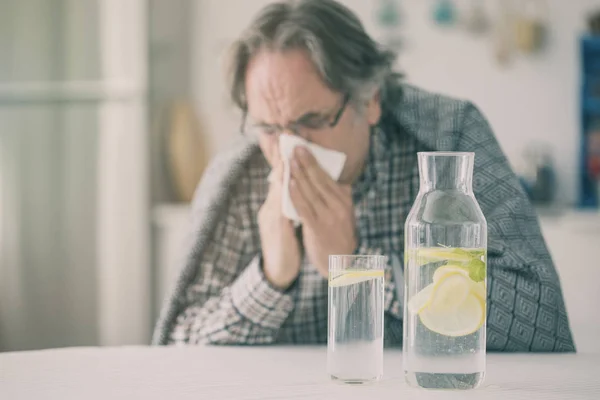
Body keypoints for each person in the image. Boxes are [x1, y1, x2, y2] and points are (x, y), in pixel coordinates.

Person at [153, 0, 575, 351]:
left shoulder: (449, 136)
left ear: (369, 100)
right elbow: (175, 348)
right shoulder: (239, 172)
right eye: (268, 128)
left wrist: (361, 262)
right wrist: (270, 276)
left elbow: (541, 325)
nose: (288, 148)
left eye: (312, 120)